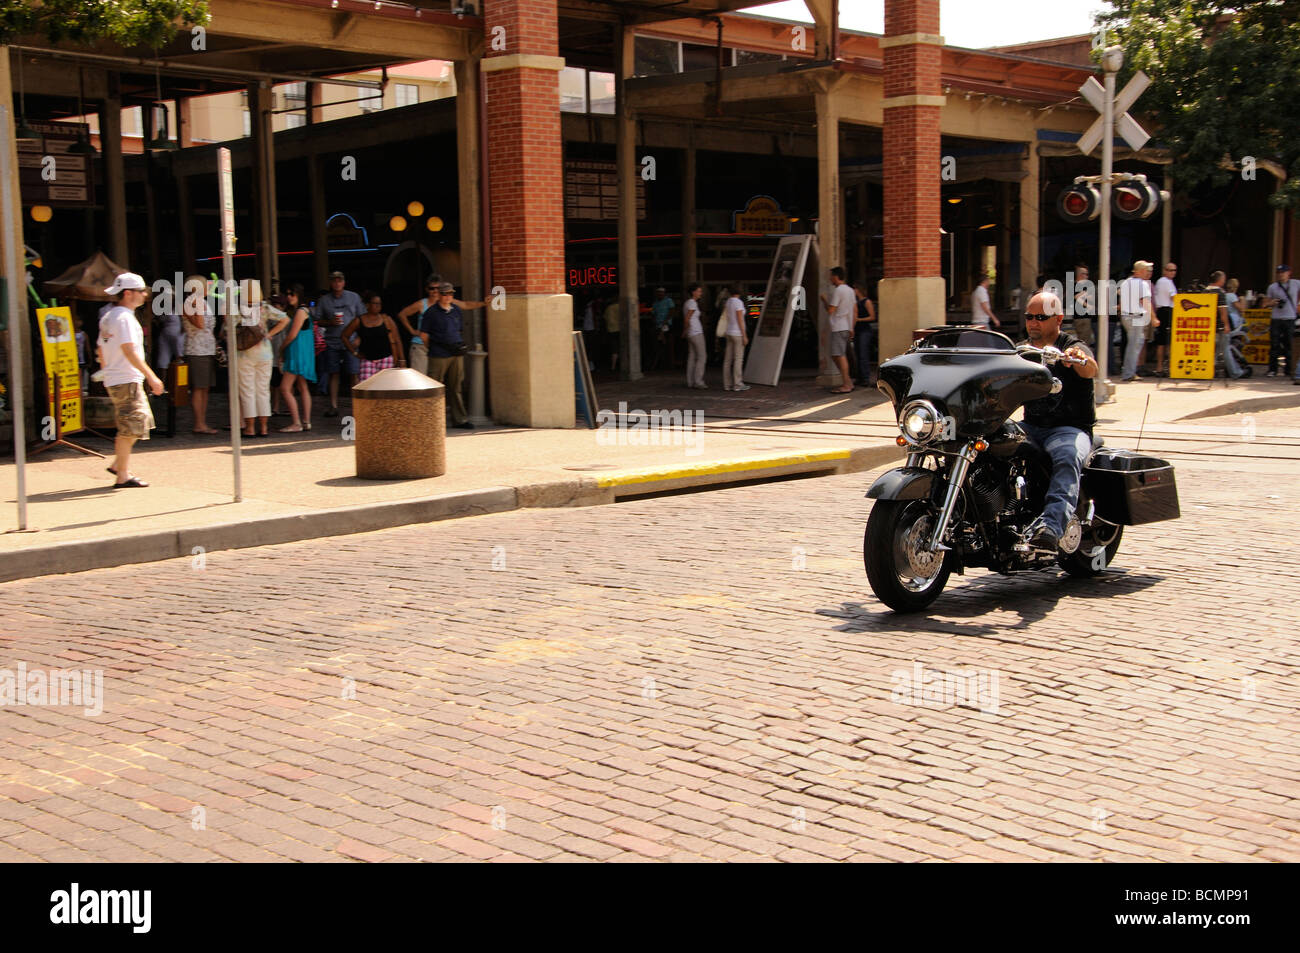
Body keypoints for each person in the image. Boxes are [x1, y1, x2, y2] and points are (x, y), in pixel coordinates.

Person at [1017, 292, 1099, 552]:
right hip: (1030, 427)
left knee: (1067, 455)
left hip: (1068, 428)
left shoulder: (1071, 345)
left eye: (1041, 317)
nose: (1033, 322)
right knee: (986, 446)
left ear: (1058, 319)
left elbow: (1090, 368)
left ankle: (1051, 528)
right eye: (1030, 316)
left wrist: (1077, 358)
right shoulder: (1021, 351)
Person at [96, 273, 165, 488]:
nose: (145, 295)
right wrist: (151, 376)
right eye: (141, 291)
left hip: (119, 377)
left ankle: (119, 464)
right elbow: (129, 350)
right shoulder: (124, 318)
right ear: (128, 293)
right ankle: (122, 473)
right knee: (131, 426)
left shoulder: (109, 316)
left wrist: (106, 370)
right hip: (125, 378)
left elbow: (101, 348)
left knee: (139, 421)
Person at [236, 287, 290, 437]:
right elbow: (285, 319)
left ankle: (250, 428)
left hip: (245, 353)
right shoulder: (265, 307)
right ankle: (264, 427)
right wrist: (268, 334)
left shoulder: (238, 309)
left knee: (247, 391)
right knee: (263, 390)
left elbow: (228, 328)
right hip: (265, 353)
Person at [420, 282, 473, 428]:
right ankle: (432, 420)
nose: (448, 296)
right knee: (434, 387)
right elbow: (424, 335)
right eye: (445, 294)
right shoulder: (431, 313)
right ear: (439, 295)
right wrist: (431, 348)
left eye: (450, 293)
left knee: (456, 387)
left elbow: (459, 330)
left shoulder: (456, 310)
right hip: (438, 354)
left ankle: (460, 419)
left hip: (456, 353)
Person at [315, 270, 364, 417]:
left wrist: (359, 338)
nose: (337, 283)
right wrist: (330, 322)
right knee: (333, 373)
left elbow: (363, 318)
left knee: (354, 373)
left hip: (351, 340)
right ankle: (333, 405)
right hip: (332, 341)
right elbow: (318, 320)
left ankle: (358, 406)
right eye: (334, 280)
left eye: (339, 280)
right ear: (331, 283)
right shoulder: (324, 300)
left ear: (344, 282)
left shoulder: (354, 297)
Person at [180, 274, 219, 434]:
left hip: (206, 348)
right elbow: (201, 324)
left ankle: (202, 422)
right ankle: (199, 423)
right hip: (197, 349)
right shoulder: (192, 302)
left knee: (205, 387)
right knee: (199, 387)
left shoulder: (202, 302)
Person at [277, 283, 317, 432]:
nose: (289, 297)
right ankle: (306, 421)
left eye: (291, 294)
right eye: (287, 294)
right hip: (302, 354)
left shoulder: (300, 312)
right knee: (302, 387)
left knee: (285, 388)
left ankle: (297, 423)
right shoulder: (304, 310)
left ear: (298, 295)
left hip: (296, 354)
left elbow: (292, 335)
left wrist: (281, 349)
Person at [344, 293, 405, 381]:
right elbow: (344, 336)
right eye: (375, 303)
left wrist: (402, 360)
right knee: (366, 388)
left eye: (379, 304)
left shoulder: (386, 319)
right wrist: (355, 353)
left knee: (384, 389)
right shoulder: (359, 320)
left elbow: (397, 340)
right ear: (367, 305)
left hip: (385, 359)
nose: (378, 306)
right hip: (367, 360)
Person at [1118, 260, 1156, 381]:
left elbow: (1121, 300)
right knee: (1134, 346)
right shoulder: (1142, 284)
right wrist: (1153, 318)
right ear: (1140, 271)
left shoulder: (1125, 282)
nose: (1148, 272)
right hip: (1135, 317)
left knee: (1134, 344)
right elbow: (1145, 302)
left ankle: (1130, 371)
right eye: (1146, 270)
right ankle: (1129, 373)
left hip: (1126, 316)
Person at [821, 266, 856, 394]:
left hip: (839, 327)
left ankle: (846, 384)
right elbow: (853, 310)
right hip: (845, 326)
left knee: (839, 355)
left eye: (831, 276)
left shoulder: (839, 291)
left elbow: (831, 310)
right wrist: (852, 327)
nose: (830, 278)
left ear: (836, 276)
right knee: (837, 355)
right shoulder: (850, 290)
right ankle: (848, 381)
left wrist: (824, 300)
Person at [1205, 271, 1243, 380]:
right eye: (1223, 279)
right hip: (1219, 326)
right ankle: (1235, 372)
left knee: (1212, 350)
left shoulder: (1204, 292)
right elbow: (1223, 311)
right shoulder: (1220, 293)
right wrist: (1226, 325)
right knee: (1225, 349)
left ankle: (1208, 371)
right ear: (1220, 280)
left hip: (1208, 326)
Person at [1264, 264, 1299, 379]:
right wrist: (1272, 303)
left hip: (1290, 318)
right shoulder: (1272, 287)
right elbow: (1264, 304)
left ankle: (1288, 370)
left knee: (1289, 344)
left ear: (1289, 273)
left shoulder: (1295, 283)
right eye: (1278, 273)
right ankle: (1272, 370)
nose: (1280, 275)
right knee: (1274, 344)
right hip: (1276, 319)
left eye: (1283, 272)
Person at [1151, 262, 1177, 376]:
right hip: (1165, 311)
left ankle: (1162, 367)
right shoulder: (1165, 281)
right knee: (1165, 341)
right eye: (1170, 270)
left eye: (1174, 270)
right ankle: (1162, 368)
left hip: (1165, 311)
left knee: (1165, 341)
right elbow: (1174, 297)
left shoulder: (1166, 281)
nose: (1172, 272)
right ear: (1164, 270)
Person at [722, 287, 749, 391]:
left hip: (729, 331)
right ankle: (737, 384)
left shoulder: (728, 302)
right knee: (738, 359)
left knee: (727, 360)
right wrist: (744, 335)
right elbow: (740, 319)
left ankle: (727, 384)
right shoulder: (738, 302)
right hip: (737, 333)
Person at [681, 284, 706, 388]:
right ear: (693, 292)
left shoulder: (688, 302)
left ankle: (690, 381)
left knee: (692, 357)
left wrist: (686, 332)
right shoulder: (692, 303)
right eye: (699, 291)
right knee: (702, 356)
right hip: (696, 332)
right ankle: (698, 381)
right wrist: (685, 330)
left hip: (691, 333)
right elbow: (687, 319)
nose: (700, 293)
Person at [852, 282, 877, 386]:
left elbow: (872, 317)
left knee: (863, 354)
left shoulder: (867, 301)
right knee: (858, 354)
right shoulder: (855, 302)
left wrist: (859, 319)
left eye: (854, 289)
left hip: (865, 330)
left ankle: (866, 378)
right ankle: (860, 377)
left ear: (858, 290)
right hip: (858, 330)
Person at [649, 287, 675, 371]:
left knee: (667, 344)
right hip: (658, 325)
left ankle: (669, 364)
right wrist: (654, 322)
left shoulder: (668, 301)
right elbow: (653, 314)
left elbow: (671, 312)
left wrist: (665, 321)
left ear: (664, 293)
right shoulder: (655, 303)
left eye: (661, 293)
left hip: (666, 325)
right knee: (657, 345)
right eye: (658, 293)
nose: (660, 294)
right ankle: (659, 364)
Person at [1071, 263, 1095, 348]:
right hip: (1082, 318)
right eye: (1084, 274)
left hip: (1083, 318)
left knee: (1084, 341)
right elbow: (1077, 297)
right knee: (1084, 343)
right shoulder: (1076, 286)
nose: (1086, 276)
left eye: (1087, 274)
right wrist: (1088, 306)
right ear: (1079, 274)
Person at [603, 296, 621, 372]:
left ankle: (613, 366)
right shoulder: (621, 306)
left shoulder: (608, 308)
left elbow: (605, 318)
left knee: (614, 349)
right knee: (622, 347)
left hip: (611, 330)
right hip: (621, 329)